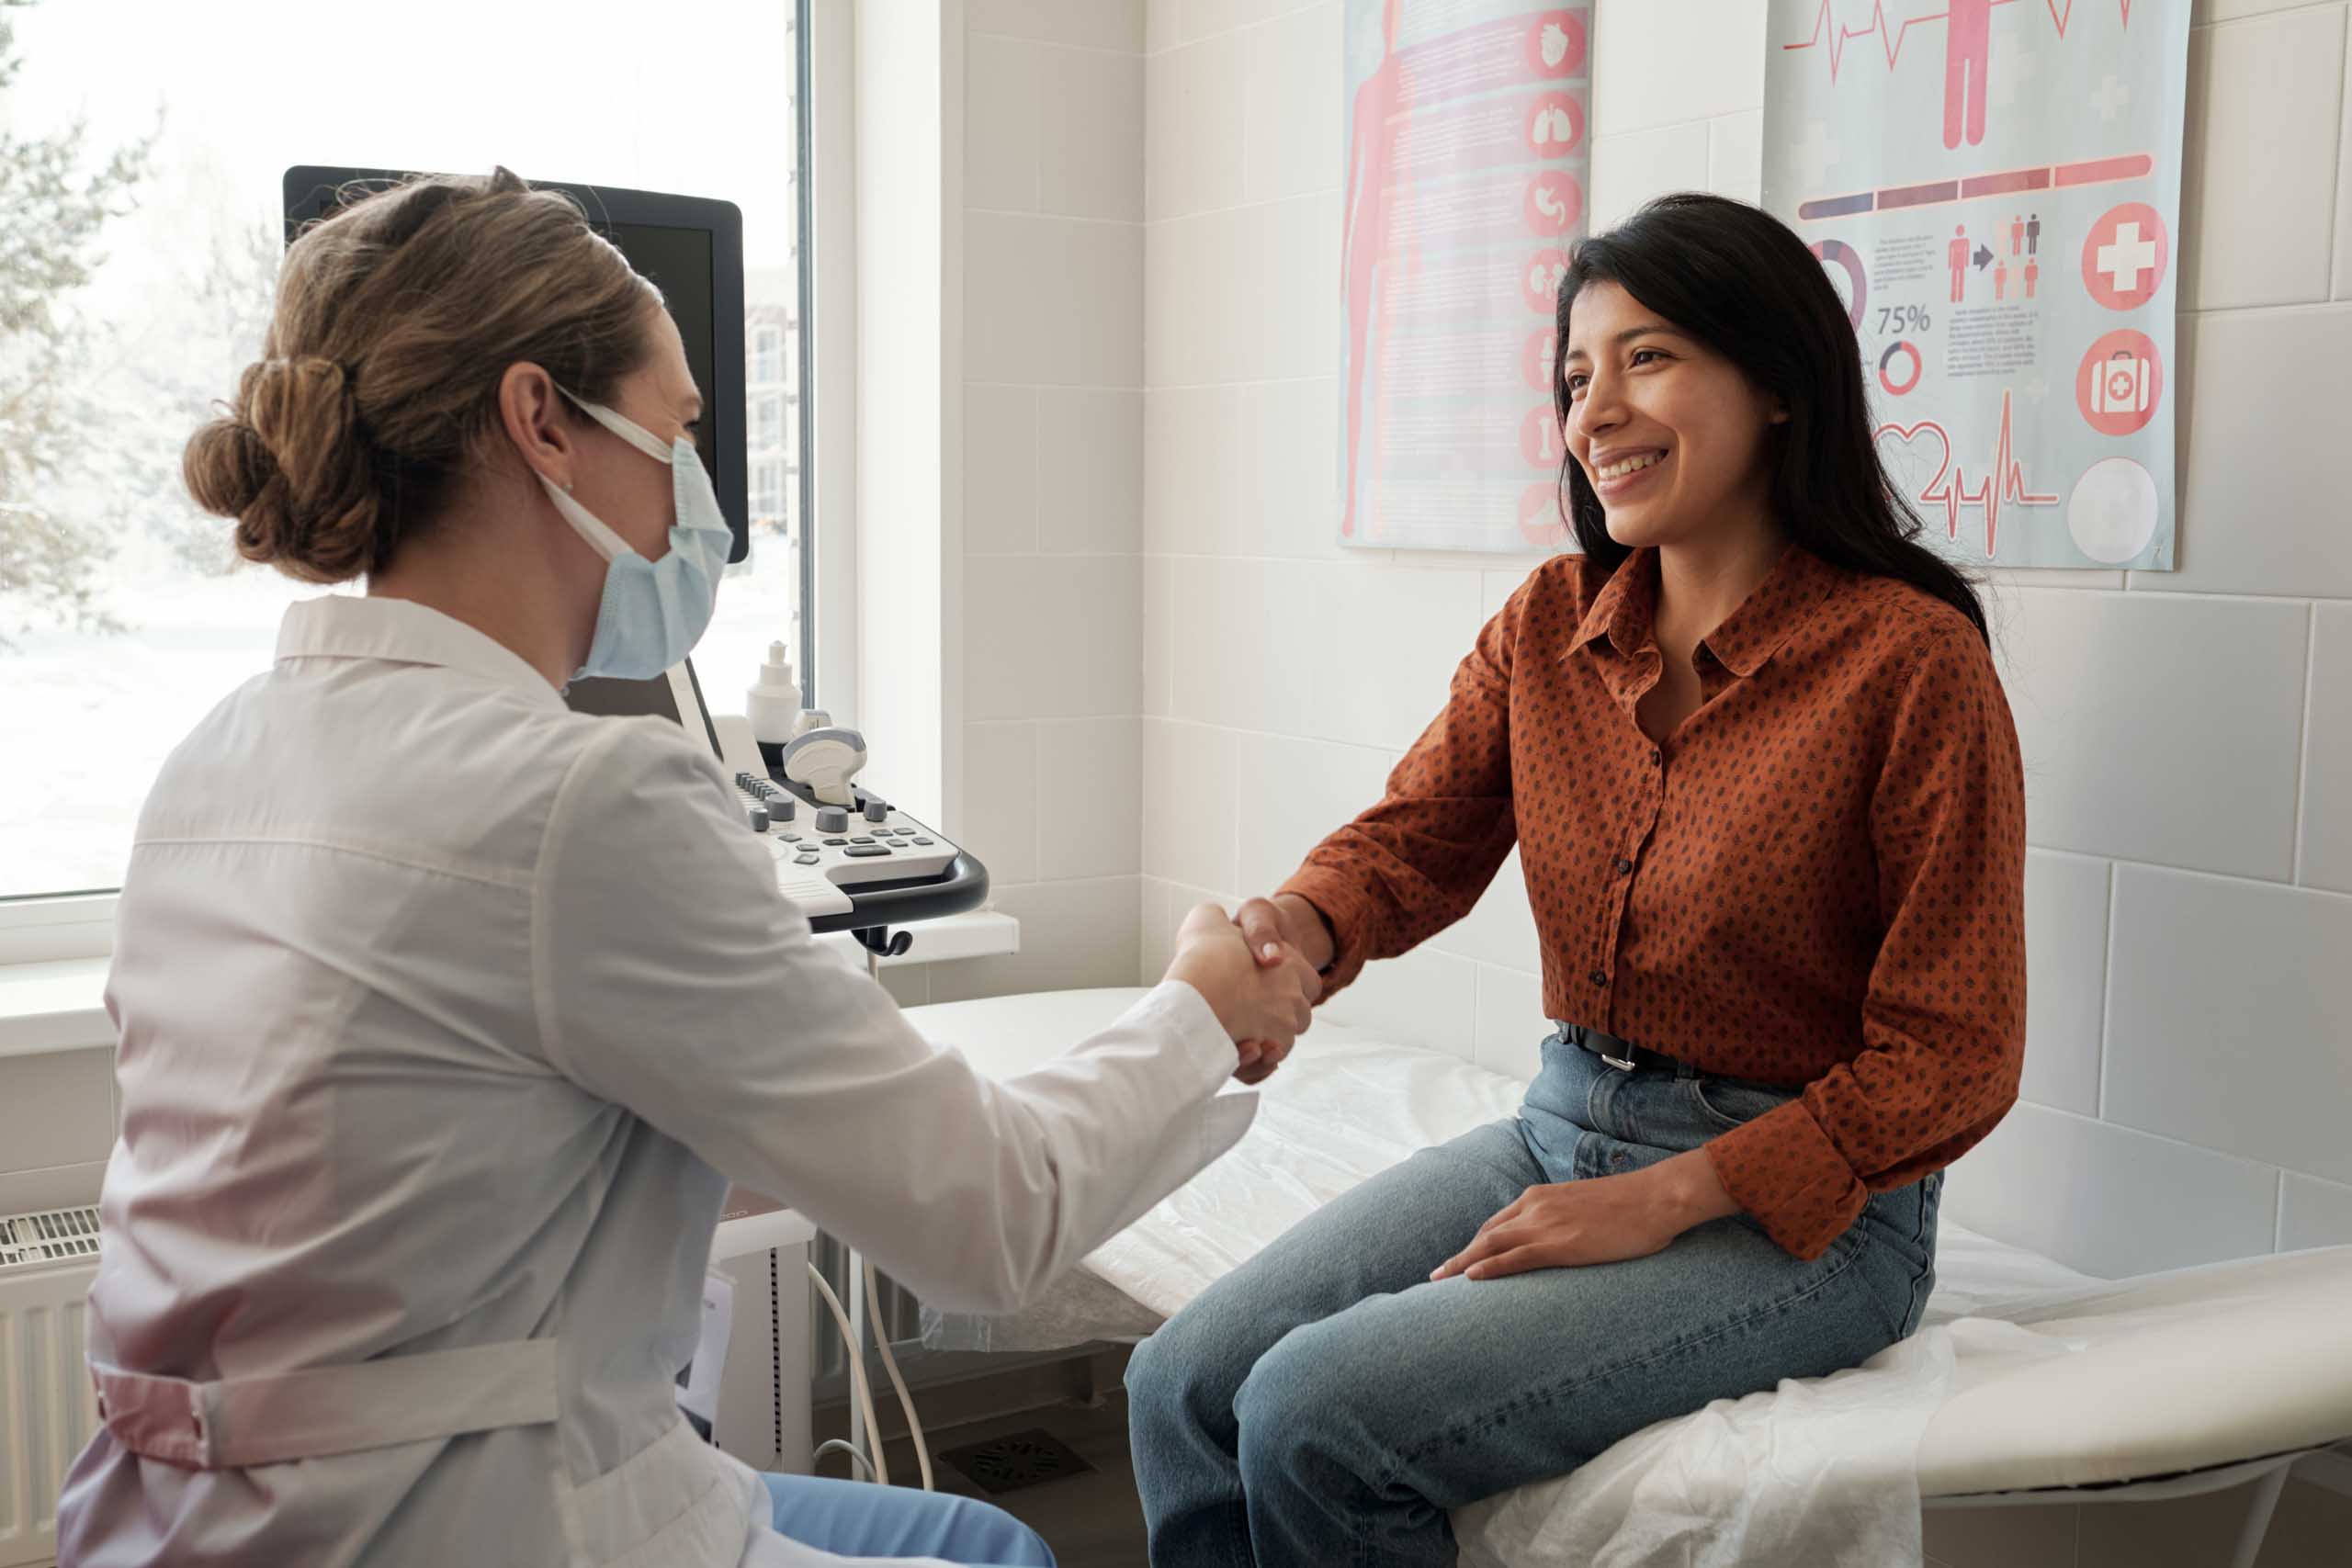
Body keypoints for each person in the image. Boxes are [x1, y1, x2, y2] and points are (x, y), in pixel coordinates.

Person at [56, 168, 1322, 1568]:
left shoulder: (218, 760)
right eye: (678, 431)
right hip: (457, 1522)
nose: (698, 498)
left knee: (961, 1537)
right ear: (544, 421)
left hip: (168, 1519)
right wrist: (1204, 1005)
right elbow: (989, 1218)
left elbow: (421, 1148)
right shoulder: (583, 795)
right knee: (1004, 1554)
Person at [1126, 192, 2027, 1567]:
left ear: (1780, 385)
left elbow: (1954, 1054)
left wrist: (1663, 1197)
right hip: (1562, 1124)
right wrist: (1295, 931)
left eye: (1647, 358)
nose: (1593, 411)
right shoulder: (1552, 622)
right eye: (1574, 376)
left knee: (1314, 1412)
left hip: (1813, 1224)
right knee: (1180, 1388)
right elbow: (1416, 837)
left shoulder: (1909, 663)